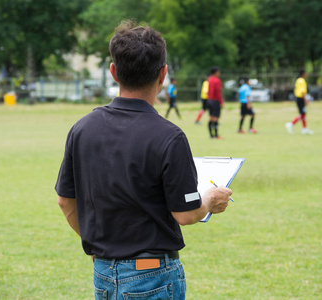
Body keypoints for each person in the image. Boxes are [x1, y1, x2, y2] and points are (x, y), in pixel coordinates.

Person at [55, 20, 233, 299]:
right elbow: (185, 214)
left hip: (102, 272)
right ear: (162, 75)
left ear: (114, 72)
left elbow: (66, 201)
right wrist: (210, 200)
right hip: (153, 276)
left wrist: (106, 250)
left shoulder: (82, 128)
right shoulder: (169, 136)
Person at [285, 69, 314, 135]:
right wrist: (306, 100)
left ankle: (304, 129)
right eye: (305, 73)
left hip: (298, 98)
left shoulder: (298, 80)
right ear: (303, 74)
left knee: (303, 114)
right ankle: (291, 124)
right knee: (302, 114)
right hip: (301, 98)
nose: (307, 74)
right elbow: (302, 92)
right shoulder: (302, 81)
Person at [207, 66, 224, 139]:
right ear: (216, 72)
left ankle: (211, 135)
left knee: (211, 117)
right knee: (216, 118)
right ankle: (216, 135)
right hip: (215, 101)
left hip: (209, 100)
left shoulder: (209, 80)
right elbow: (218, 92)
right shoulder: (217, 80)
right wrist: (221, 101)